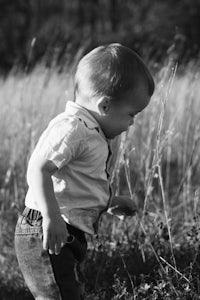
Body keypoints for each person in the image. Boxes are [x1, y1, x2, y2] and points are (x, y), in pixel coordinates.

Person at [14, 43, 155, 300]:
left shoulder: (91, 133)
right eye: (131, 114)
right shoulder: (72, 129)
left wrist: (109, 202)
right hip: (46, 229)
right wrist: (51, 217)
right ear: (105, 106)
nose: (132, 122)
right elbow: (37, 169)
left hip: (63, 229)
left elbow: (74, 184)